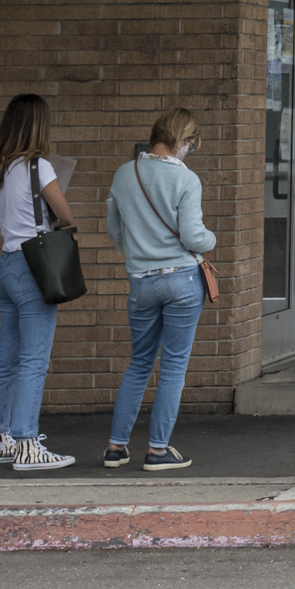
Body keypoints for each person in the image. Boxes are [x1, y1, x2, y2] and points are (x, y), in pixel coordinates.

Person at [100, 106, 217, 472]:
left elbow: (114, 229)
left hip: (141, 282)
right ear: (182, 141)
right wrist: (211, 239)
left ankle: (116, 448)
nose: (190, 151)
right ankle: (157, 450)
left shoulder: (124, 174)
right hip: (181, 279)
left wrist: (137, 253)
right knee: (174, 366)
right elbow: (193, 236)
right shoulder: (186, 180)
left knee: (139, 363)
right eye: (191, 145)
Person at [0, 93, 77, 473]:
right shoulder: (39, 166)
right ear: (39, 125)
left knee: (7, 360)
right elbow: (65, 216)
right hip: (33, 267)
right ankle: (27, 444)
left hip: (6, 265)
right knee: (35, 361)